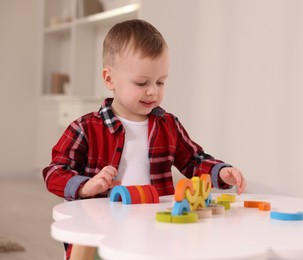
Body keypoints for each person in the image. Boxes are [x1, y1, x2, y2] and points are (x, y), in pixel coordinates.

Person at [43, 19, 246, 259]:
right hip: (99, 230)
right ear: (109, 80)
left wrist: (219, 172)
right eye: (142, 83)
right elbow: (54, 172)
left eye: (161, 82)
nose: (153, 91)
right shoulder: (85, 128)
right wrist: (85, 187)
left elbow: (193, 159)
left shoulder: (167, 124)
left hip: (154, 230)